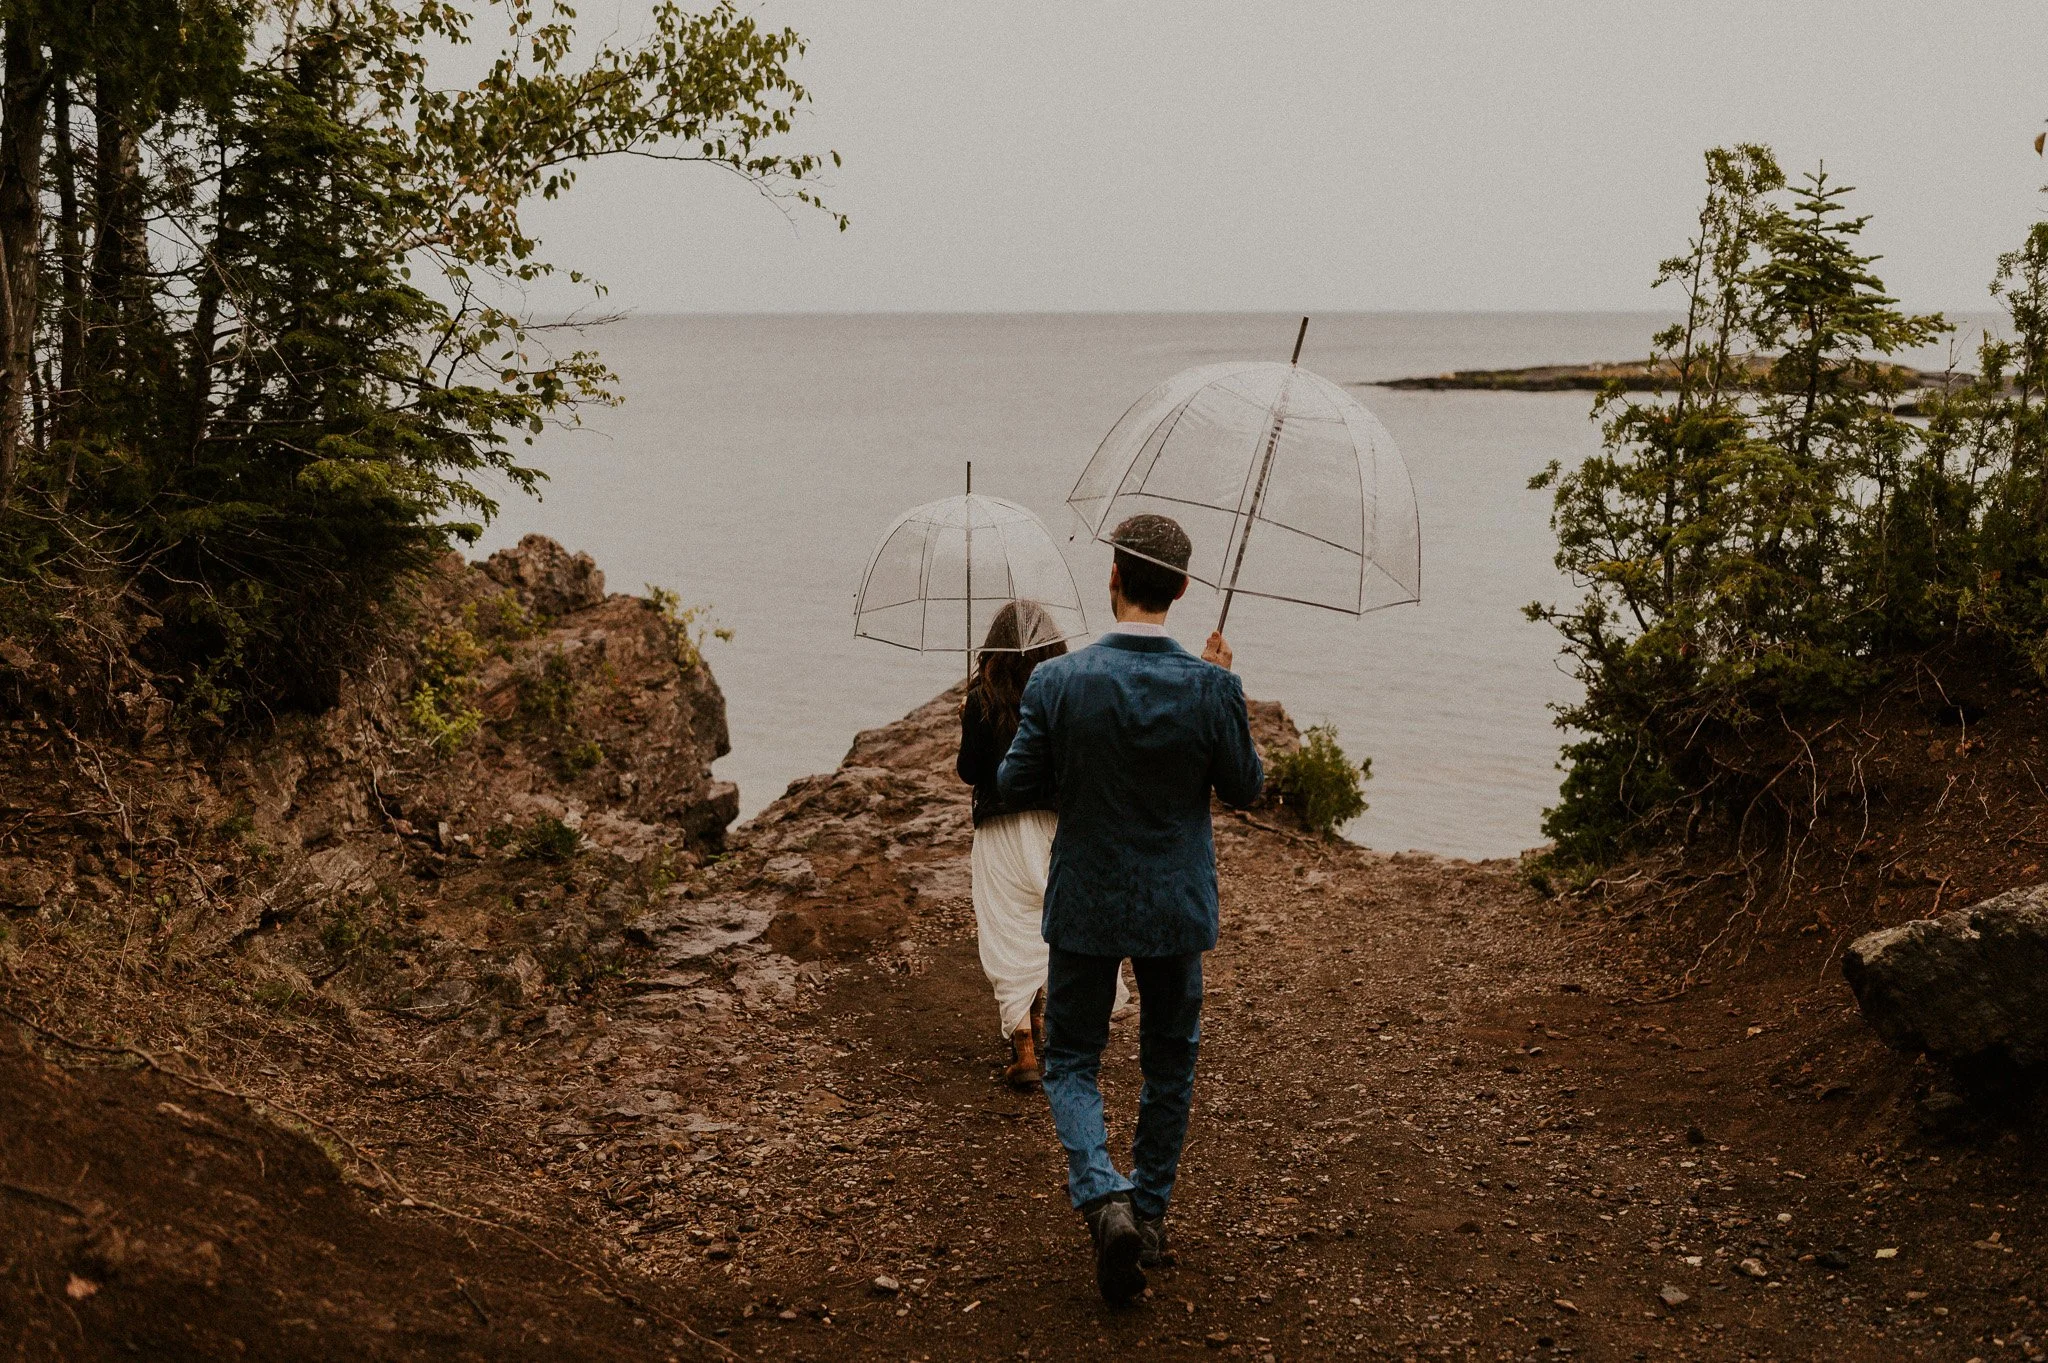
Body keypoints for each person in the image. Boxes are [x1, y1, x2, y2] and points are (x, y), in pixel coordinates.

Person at [996, 513, 1263, 1305]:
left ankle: (1102, 1197)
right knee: (1169, 1061)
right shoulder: (1210, 685)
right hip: (1175, 904)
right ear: (1180, 588)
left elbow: (1013, 784)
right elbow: (1245, 786)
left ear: (1113, 576)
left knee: (1072, 1060)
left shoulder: (1056, 681)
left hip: (1084, 897)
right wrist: (1225, 688)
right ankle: (1145, 1216)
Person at [956, 600, 1128, 1087]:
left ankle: (1026, 1049)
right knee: (1052, 924)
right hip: (1056, 826)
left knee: (1010, 930)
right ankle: (1063, 1031)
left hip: (1001, 831)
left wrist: (966, 720)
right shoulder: (1063, 694)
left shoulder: (980, 698)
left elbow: (969, 772)